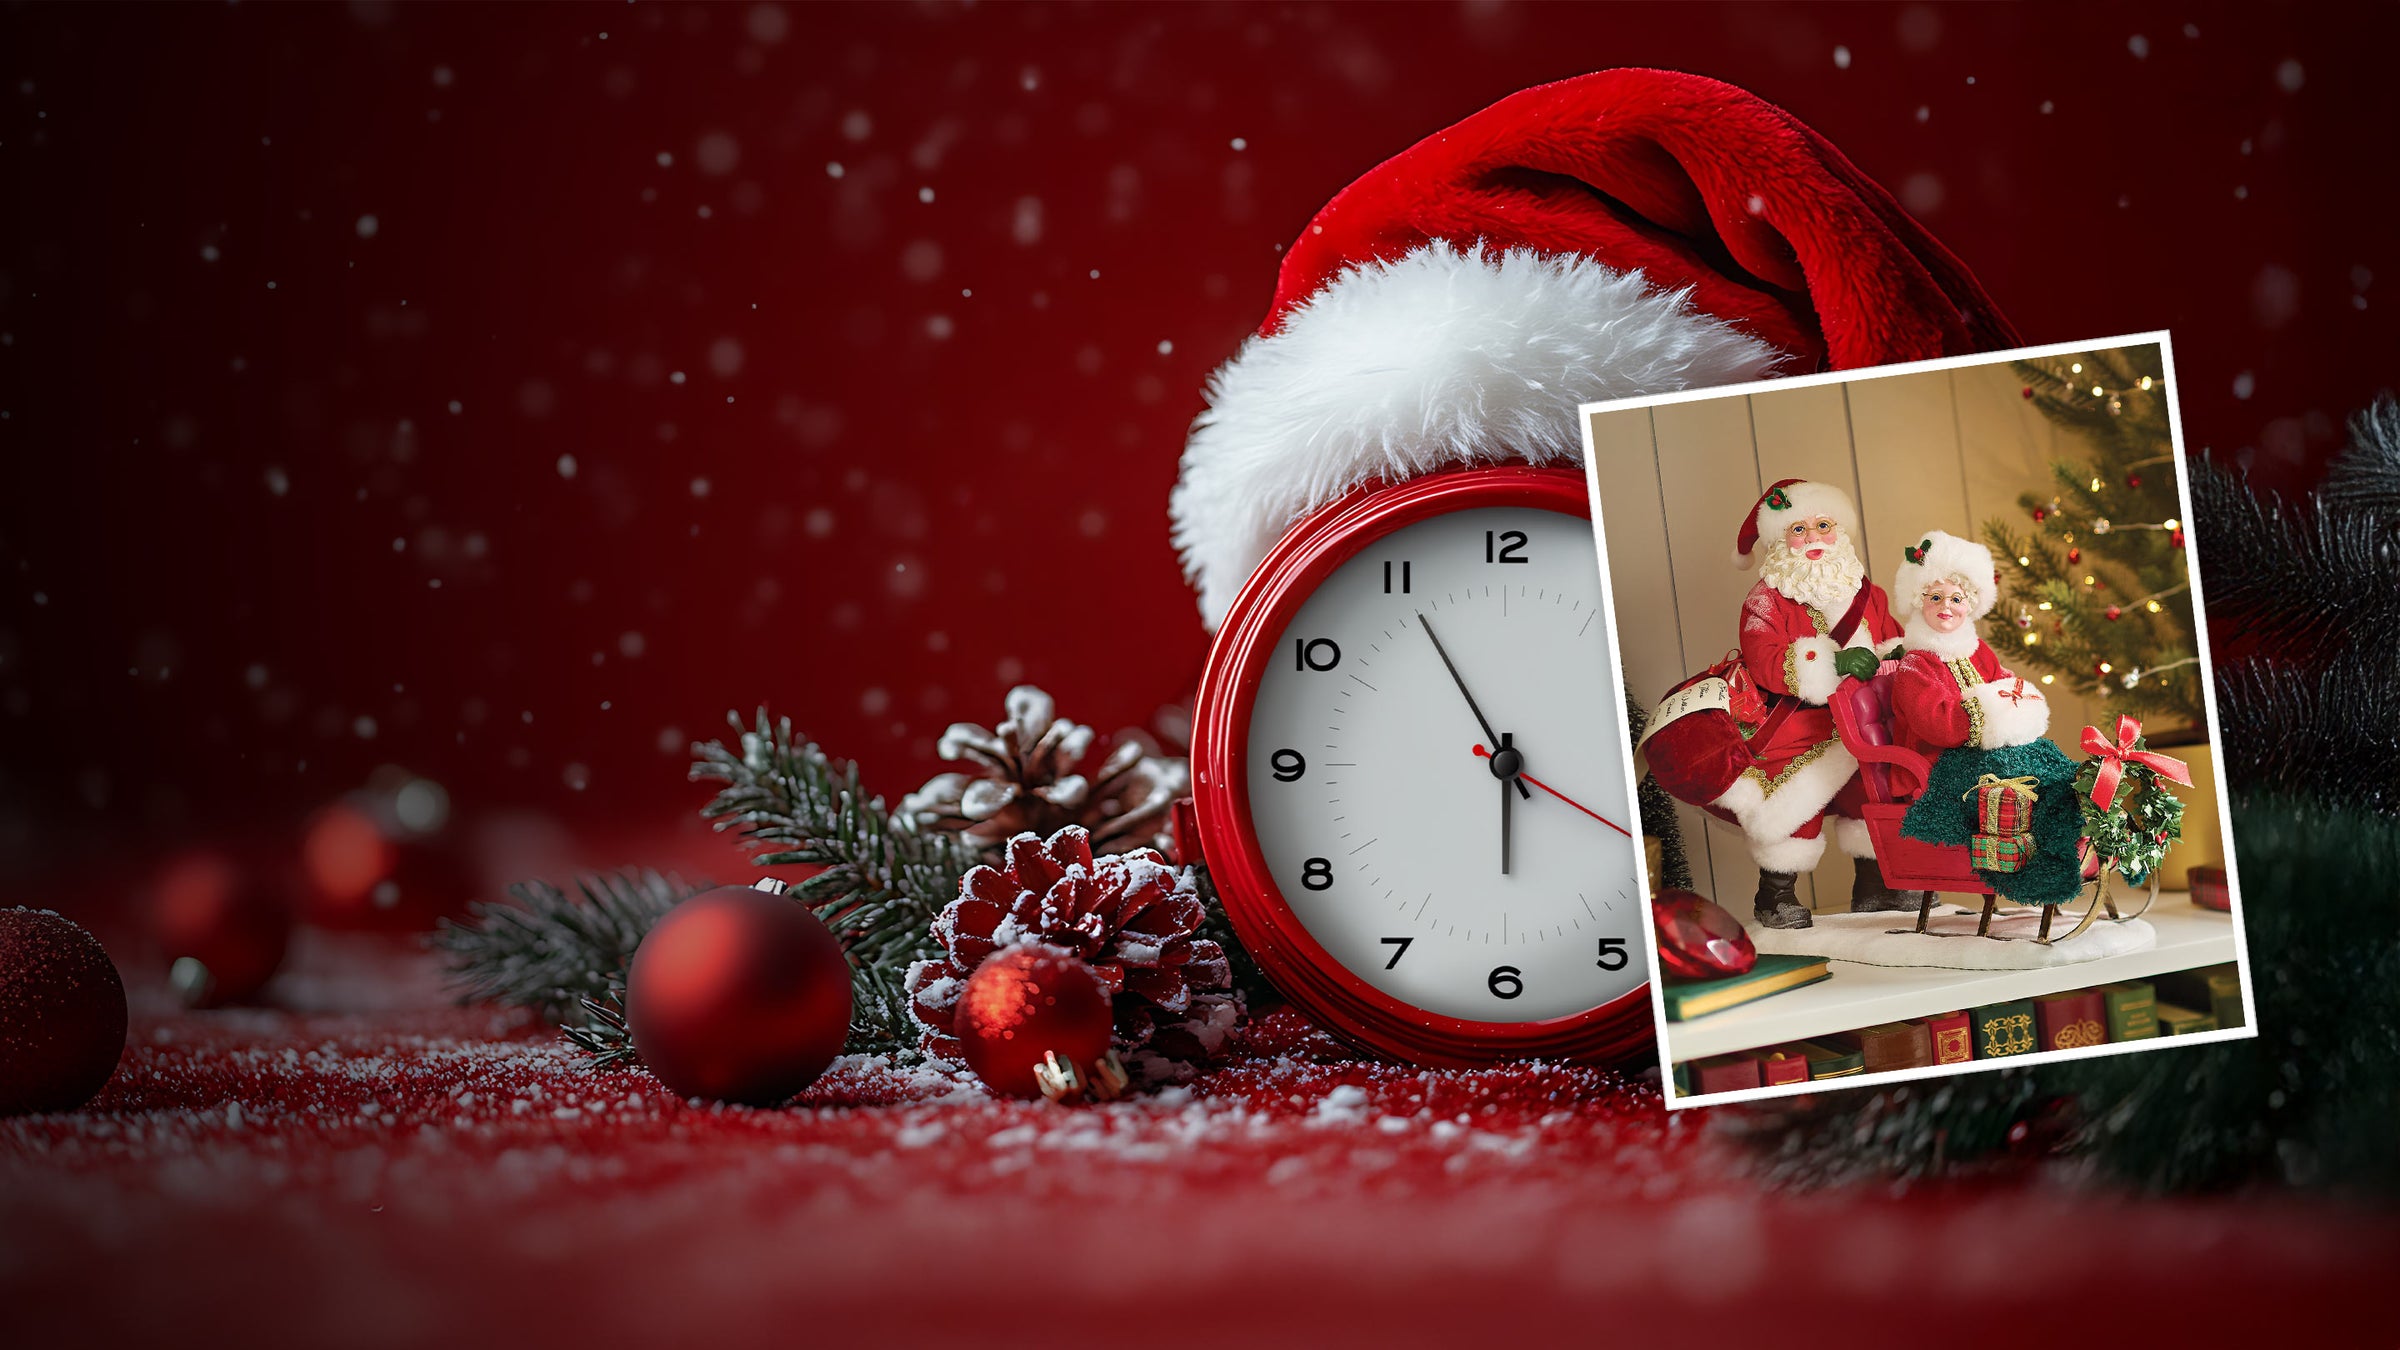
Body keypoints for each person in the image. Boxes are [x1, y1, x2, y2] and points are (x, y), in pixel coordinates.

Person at [1711, 479, 1909, 929]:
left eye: (1823, 525)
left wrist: (1897, 654)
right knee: (1796, 796)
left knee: (1877, 789)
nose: (1814, 538)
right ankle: (1775, 895)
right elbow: (1764, 659)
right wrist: (1834, 664)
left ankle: (1877, 885)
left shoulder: (1868, 594)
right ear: (1779, 540)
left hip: (1866, 719)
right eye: (1799, 529)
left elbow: (1890, 637)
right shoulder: (1766, 599)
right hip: (1800, 721)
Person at [1887, 530, 2051, 757]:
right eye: (1935, 597)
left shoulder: (1978, 649)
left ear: (1969, 604)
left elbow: (2005, 680)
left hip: (1989, 751)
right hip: (1941, 764)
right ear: (1919, 600)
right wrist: (1994, 714)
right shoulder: (1915, 666)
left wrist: (2016, 711)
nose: (1946, 607)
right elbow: (1937, 726)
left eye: (1956, 599)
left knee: (2047, 756)